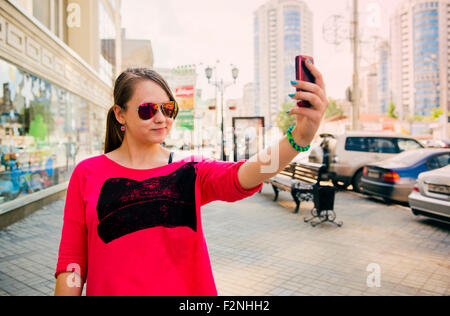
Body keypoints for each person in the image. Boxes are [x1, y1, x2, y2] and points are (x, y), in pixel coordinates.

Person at [54, 63, 329, 296]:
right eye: (148, 109)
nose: (161, 118)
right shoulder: (87, 173)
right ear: (120, 114)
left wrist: (298, 138)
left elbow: (244, 174)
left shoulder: (190, 169)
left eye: (168, 109)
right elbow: (72, 263)